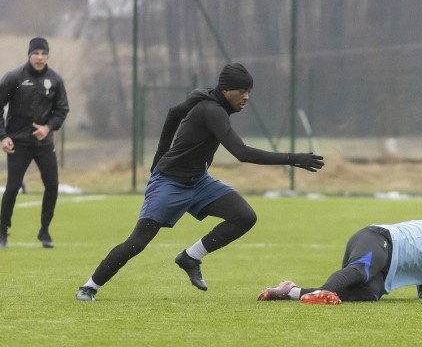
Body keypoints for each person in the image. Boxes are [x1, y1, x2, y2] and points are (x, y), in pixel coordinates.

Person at [75, 63, 324, 301]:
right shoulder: (213, 110)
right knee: (137, 242)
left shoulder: (209, 98)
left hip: (199, 182)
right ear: (226, 90)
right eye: (242, 91)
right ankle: (89, 287)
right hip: (169, 182)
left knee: (244, 216)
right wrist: (293, 158)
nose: (246, 96)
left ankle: (190, 257)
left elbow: (174, 113)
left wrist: (160, 154)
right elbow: (242, 153)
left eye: (249, 91)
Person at [258, 218, 422, 304]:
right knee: (362, 269)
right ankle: (323, 291)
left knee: (367, 294)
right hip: (379, 239)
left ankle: (290, 292)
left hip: (385, 273)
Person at [0, 37, 70, 248]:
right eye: (36, 53)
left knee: (52, 185)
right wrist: (3, 136)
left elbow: (62, 109)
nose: (39, 57)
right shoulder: (14, 78)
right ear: (29, 55)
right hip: (18, 142)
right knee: (12, 187)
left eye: (43, 53)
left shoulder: (55, 80)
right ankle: (2, 232)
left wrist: (48, 128)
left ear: (48, 55)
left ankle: (44, 232)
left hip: (44, 143)